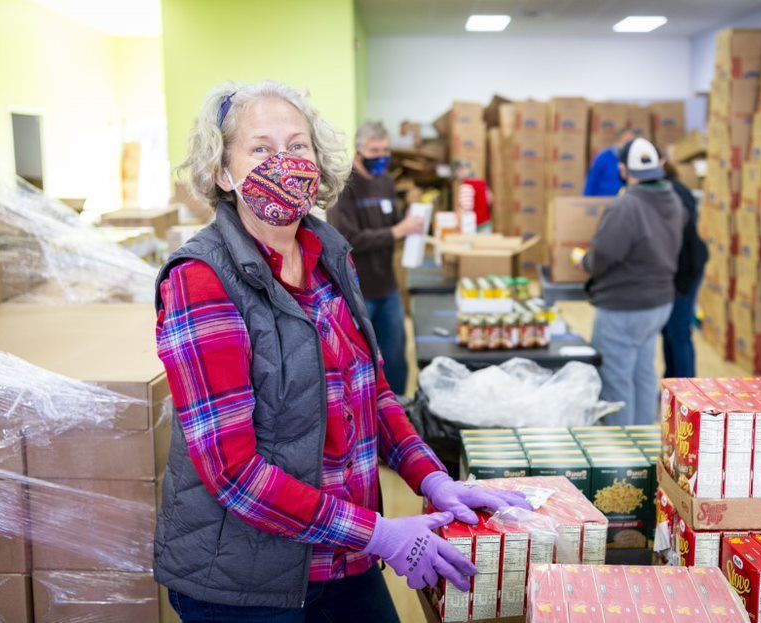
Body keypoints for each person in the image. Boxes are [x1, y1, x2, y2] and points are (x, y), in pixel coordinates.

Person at [154, 81, 530, 623]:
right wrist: (381, 534)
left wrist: (434, 479)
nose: (285, 161)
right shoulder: (201, 281)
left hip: (343, 556)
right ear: (222, 173)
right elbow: (233, 471)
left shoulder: (330, 255)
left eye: (298, 145)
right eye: (261, 149)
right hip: (246, 582)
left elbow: (374, 396)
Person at [572, 138, 685, 426]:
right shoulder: (673, 199)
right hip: (659, 303)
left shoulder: (628, 206)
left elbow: (603, 257)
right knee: (643, 373)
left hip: (625, 307)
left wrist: (583, 260)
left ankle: (622, 454)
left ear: (624, 169)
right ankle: (645, 443)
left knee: (616, 379)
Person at [327, 121, 422, 396]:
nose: (381, 156)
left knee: (395, 360)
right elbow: (348, 240)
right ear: (359, 151)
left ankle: (402, 415)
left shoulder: (386, 181)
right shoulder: (344, 186)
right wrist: (397, 231)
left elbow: (394, 227)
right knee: (360, 364)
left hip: (387, 287)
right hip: (358, 293)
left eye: (385, 150)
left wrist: (413, 225)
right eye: (374, 150)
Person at [661, 162, 709, 378]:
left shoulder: (672, 193)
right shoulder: (671, 189)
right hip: (678, 270)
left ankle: (687, 394)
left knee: (679, 333)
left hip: (686, 272)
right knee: (669, 332)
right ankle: (671, 387)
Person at [583, 128, 636, 197]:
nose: (630, 147)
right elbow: (591, 182)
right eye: (627, 142)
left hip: (625, 203)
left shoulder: (634, 160)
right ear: (618, 141)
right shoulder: (604, 157)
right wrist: (587, 202)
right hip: (603, 202)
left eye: (632, 143)